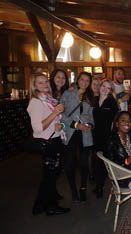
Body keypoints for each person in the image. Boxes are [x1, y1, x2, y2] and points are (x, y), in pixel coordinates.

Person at [27, 73, 70, 216]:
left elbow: (54, 121)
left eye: (46, 81)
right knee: (50, 176)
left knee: (52, 175)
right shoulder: (36, 102)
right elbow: (38, 128)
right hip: (48, 143)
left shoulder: (48, 100)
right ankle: (50, 207)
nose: (45, 84)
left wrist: (59, 125)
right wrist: (55, 112)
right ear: (34, 86)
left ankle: (40, 205)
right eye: (40, 83)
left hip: (55, 139)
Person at [60, 72, 95, 203]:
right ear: (77, 80)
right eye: (82, 79)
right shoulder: (68, 94)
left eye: (87, 80)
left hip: (85, 133)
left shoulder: (90, 96)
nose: (84, 82)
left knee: (84, 163)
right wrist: (76, 125)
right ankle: (73, 189)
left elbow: (91, 116)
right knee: (69, 163)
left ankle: (83, 188)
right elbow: (61, 115)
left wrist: (90, 125)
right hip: (70, 132)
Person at [95, 112, 131, 196]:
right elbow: (112, 164)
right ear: (116, 124)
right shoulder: (111, 141)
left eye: (129, 121)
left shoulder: (130, 136)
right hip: (123, 177)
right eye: (123, 120)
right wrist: (127, 161)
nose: (127, 123)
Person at [92, 80, 119, 198]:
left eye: (108, 88)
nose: (104, 89)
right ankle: (98, 184)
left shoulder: (112, 102)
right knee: (96, 161)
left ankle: (100, 187)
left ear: (110, 91)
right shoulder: (94, 100)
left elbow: (116, 121)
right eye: (103, 86)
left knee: (103, 162)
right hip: (93, 135)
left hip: (106, 137)